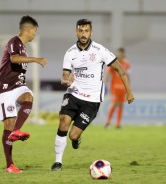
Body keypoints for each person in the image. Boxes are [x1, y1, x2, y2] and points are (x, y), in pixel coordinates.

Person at [50, 19, 134, 171]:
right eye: (80, 31)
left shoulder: (100, 50)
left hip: (92, 99)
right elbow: (65, 75)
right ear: (76, 32)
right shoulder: (70, 53)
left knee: (73, 135)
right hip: (73, 93)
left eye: (86, 31)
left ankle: (77, 138)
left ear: (91, 32)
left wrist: (129, 91)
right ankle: (58, 162)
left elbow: (120, 70)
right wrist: (65, 80)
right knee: (63, 121)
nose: (83, 34)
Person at [0, 15, 47, 173]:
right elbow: (14, 58)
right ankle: (10, 165)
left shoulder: (24, 47)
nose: (35, 35)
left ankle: (16, 130)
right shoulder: (14, 42)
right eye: (35, 31)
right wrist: (36, 59)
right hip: (4, 89)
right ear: (28, 29)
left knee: (28, 97)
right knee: (7, 127)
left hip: (17, 87)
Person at [105, 48, 131, 129]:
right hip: (115, 87)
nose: (119, 54)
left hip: (123, 87)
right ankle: (108, 122)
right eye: (118, 53)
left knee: (121, 104)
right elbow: (108, 74)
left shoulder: (127, 63)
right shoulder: (114, 62)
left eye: (121, 53)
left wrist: (128, 87)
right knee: (115, 103)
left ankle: (118, 124)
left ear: (123, 54)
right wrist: (105, 84)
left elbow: (128, 76)